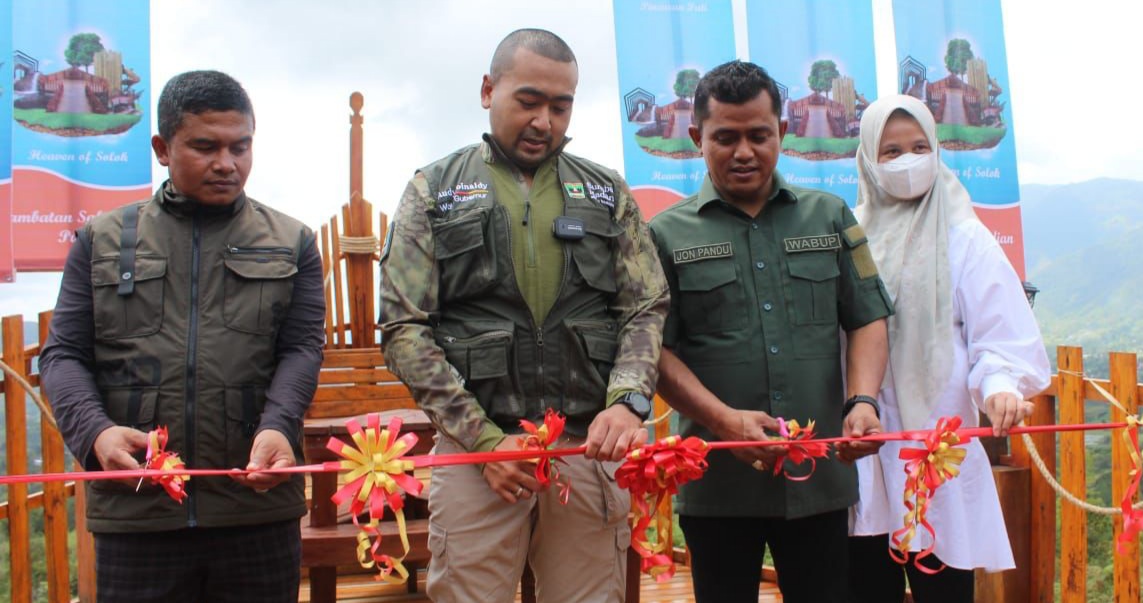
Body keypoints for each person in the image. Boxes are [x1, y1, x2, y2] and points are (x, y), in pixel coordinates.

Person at [378, 28, 669, 603]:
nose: (544, 122)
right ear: (489, 90)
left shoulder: (607, 192)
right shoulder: (433, 191)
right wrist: (484, 441)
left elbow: (645, 305)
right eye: (528, 101)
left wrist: (628, 398)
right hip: (478, 454)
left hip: (586, 448)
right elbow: (403, 328)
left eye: (560, 106)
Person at [40, 70, 326, 603]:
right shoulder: (100, 241)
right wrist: (96, 435)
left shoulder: (293, 242)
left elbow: (301, 350)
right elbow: (63, 355)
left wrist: (280, 428)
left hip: (256, 511)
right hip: (139, 515)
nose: (227, 163)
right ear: (162, 148)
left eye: (241, 146)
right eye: (205, 146)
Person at [649, 60, 894, 603]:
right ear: (697, 138)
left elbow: (867, 317)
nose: (744, 152)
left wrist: (863, 401)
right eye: (726, 137)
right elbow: (654, 352)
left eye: (759, 135)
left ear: (781, 132)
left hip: (820, 479)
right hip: (717, 483)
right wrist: (723, 421)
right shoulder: (664, 235)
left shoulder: (828, 217)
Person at [847, 94, 1051, 603]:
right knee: (868, 585)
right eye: (891, 152)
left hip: (937, 454)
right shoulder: (847, 235)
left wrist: (1001, 385)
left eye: (920, 147)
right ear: (868, 160)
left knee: (945, 588)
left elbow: (999, 336)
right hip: (862, 453)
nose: (908, 161)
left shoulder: (966, 238)